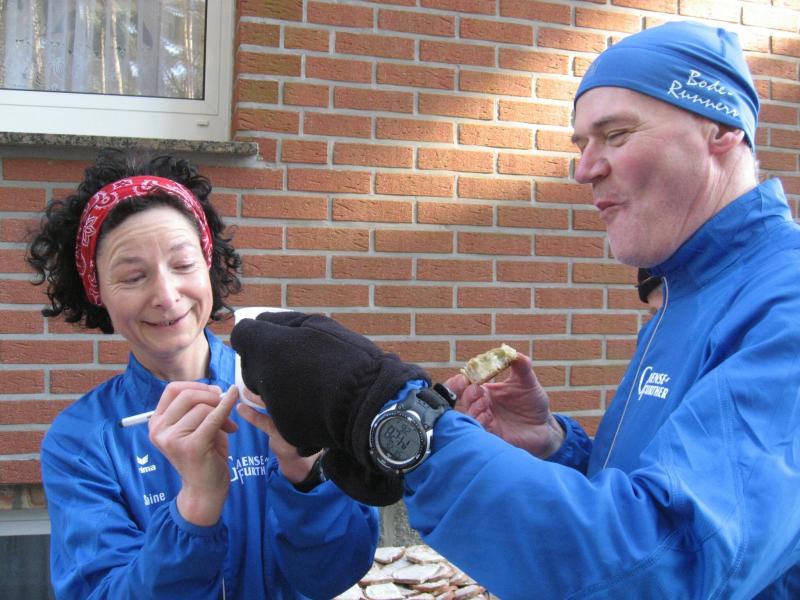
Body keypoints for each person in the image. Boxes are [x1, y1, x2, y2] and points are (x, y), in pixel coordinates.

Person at [228, 21, 800, 599]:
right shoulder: (694, 290)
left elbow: (662, 566)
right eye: (582, 144)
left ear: (722, 128)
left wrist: (397, 419)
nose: (585, 169)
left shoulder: (785, 304)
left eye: (616, 134)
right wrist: (553, 448)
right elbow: (656, 506)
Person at [27, 148, 379, 599]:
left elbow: (335, 574)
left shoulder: (282, 389)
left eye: (182, 265)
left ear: (209, 265)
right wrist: (196, 504)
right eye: (132, 277)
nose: (166, 295)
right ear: (97, 293)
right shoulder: (80, 442)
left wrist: (305, 470)